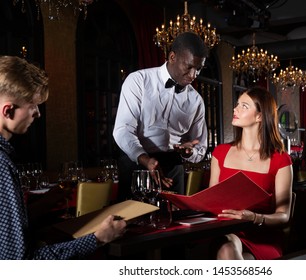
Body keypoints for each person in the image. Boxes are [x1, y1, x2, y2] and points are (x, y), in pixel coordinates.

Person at [0, 56, 126, 259]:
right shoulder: (2, 165)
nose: (38, 114)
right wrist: (97, 238)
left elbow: (7, 231)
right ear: (8, 110)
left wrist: (46, 203)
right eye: (33, 105)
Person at [113, 32, 209, 201]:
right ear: (172, 57)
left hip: (173, 167)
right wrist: (145, 159)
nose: (194, 75)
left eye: (199, 69)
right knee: (134, 223)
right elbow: (122, 130)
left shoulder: (196, 101)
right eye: (189, 67)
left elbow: (200, 147)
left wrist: (188, 153)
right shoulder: (138, 81)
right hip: (137, 163)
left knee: (173, 223)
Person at [209, 86, 293, 260]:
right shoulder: (220, 153)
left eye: (244, 106)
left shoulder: (280, 159)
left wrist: (254, 217)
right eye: (237, 104)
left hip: (261, 234)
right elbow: (211, 202)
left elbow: (284, 215)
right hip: (225, 230)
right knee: (227, 247)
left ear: (260, 116)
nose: (235, 109)